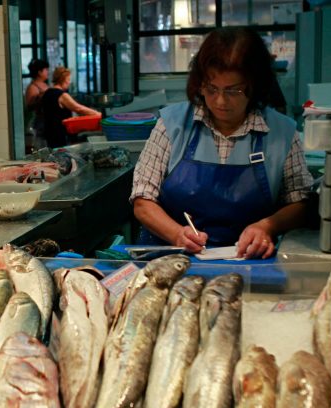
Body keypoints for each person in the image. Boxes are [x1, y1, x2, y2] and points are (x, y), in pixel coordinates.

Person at [131, 27, 313, 259]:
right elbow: (142, 200)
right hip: (167, 256)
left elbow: (300, 203)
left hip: (248, 262)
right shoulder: (172, 124)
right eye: (211, 88)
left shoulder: (282, 132)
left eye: (233, 90)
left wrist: (267, 227)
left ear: (254, 85)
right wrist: (177, 234)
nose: (220, 101)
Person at [40, 66, 100, 149]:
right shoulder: (62, 95)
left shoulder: (47, 93)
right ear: (63, 79)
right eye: (68, 79)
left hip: (48, 133)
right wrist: (98, 114)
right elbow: (79, 109)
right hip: (60, 134)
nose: (69, 82)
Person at [24, 59, 49, 151]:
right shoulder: (32, 87)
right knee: (40, 147)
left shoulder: (44, 85)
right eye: (46, 70)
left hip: (46, 121)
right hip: (38, 123)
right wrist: (42, 99)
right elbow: (30, 106)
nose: (47, 72)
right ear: (39, 72)